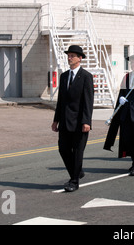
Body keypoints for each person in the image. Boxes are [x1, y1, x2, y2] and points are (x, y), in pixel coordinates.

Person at [52, 45, 94, 192]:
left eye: (72, 56)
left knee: (77, 151)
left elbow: (88, 101)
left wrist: (87, 121)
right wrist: (56, 120)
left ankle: (74, 181)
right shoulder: (64, 77)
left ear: (79, 58)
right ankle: (78, 171)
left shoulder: (86, 77)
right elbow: (61, 101)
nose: (69, 58)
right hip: (64, 121)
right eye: (68, 55)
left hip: (79, 122)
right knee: (63, 149)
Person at [104, 54, 134, 176]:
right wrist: (121, 99)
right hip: (127, 113)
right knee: (129, 139)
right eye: (131, 63)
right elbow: (122, 92)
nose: (132, 65)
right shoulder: (126, 77)